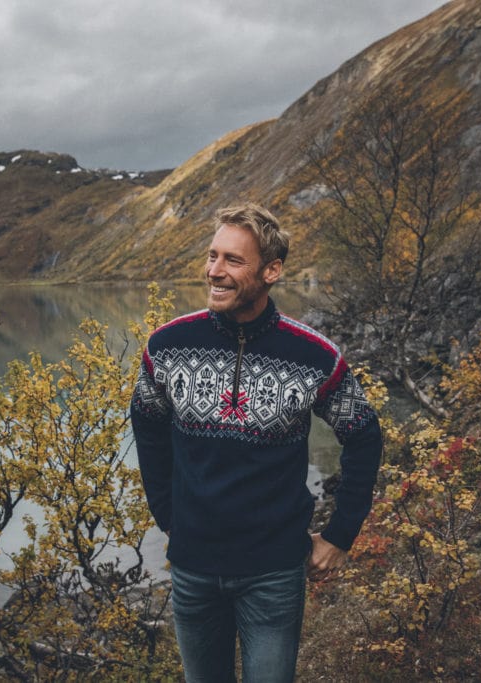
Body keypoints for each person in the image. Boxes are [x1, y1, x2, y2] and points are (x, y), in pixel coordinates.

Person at [130, 202, 383, 682]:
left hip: (273, 573)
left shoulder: (313, 355)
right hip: (193, 570)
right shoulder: (166, 347)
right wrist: (171, 518)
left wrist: (339, 535)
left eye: (232, 260)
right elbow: (147, 428)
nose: (215, 271)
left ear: (272, 271)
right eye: (212, 256)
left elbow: (364, 437)